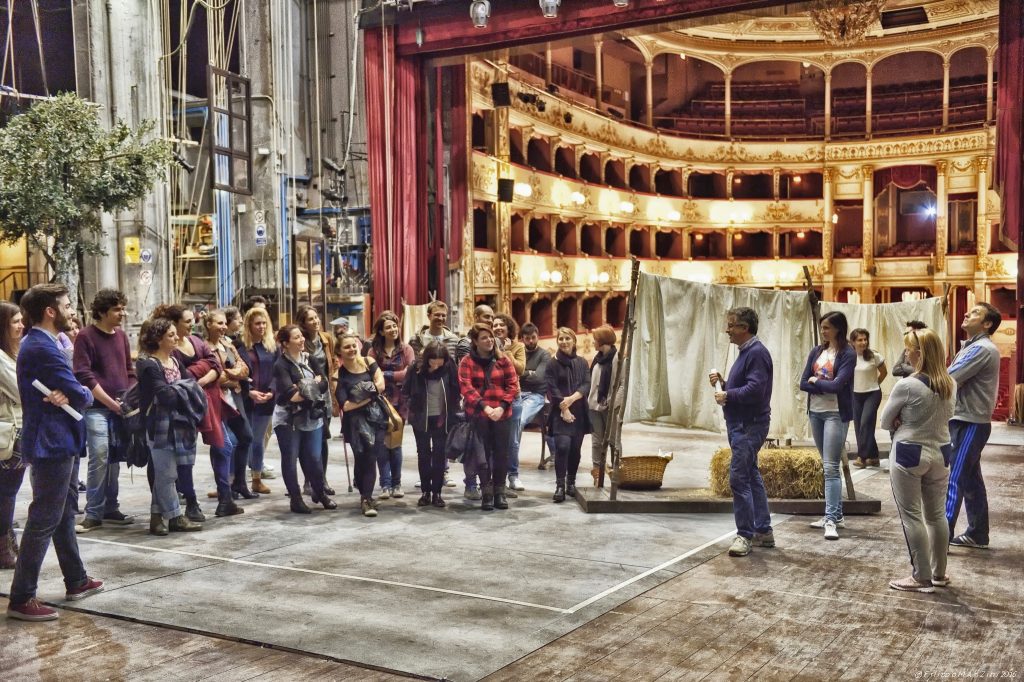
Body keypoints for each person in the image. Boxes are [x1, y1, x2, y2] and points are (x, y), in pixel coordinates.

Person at [7, 284, 102, 621]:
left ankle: (76, 579)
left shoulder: (42, 343)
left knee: (62, 514)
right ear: (50, 310)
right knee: (44, 518)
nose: (71, 309)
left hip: (60, 438)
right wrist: (81, 395)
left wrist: (74, 393)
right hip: (52, 441)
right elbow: (80, 392)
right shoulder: (41, 347)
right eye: (65, 304)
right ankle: (21, 598)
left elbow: (72, 390)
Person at [880, 328, 955, 592]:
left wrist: (901, 419)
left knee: (911, 516)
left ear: (919, 353)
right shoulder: (950, 383)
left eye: (909, 348)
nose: (906, 353)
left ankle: (920, 576)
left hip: (910, 452)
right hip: (942, 452)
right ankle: (939, 574)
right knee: (937, 516)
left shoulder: (907, 385)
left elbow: (885, 421)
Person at [708, 308, 774, 558]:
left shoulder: (756, 353)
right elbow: (747, 386)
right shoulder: (749, 352)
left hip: (748, 424)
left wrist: (727, 394)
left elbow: (756, 390)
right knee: (751, 474)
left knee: (739, 479)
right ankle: (764, 530)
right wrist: (724, 383)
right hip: (743, 423)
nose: (728, 330)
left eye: (732, 325)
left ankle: (744, 535)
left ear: (744, 328)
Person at [73, 289, 136, 533]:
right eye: (117, 309)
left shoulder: (121, 336)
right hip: (96, 408)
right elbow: (84, 375)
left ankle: (111, 507)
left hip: (120, 407)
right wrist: (110, 402)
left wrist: (130, 396)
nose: (123, 313)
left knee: (114, 458)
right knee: (99, 456)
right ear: (102, 312)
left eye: (123, 308)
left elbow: (129, 370)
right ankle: (93, 513)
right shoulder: (85, 336)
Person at [152, 304, 222, 523]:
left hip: (186, 415)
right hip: (163, 421)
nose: (193, 324)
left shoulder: (184, 351)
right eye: (187, 321)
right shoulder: (151, 363)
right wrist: (191, 384)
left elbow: (214, 365)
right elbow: (168, 392)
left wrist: (192, 384)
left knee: (184, 464)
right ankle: (169, 515)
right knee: (166, 472)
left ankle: (178, 508)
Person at [136, 318, 203, 536]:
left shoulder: (175, 361)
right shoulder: (148, 364)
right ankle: (176, 516)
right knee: (166, 474)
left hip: (180, 426)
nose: (176, 338)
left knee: (168, 473)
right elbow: (164, 395)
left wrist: (182, 389)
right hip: (159, 427)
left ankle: (156, 518)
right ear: (158, 339)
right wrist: (184, 390)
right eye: (171, 335)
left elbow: (192, 387)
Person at [945, 303, 1002, 549]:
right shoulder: (973, 346)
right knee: (970, 480)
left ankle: (940, 537)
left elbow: (948, 378)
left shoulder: (981, 348)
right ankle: (978, 533)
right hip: (967, 420)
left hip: (970, 422)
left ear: (987, 324)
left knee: (955, 479)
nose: (966, 313)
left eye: (975, 313)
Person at [799, 310, 856, 540]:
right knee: (827, 465)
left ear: (838, 329)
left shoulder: (848, 353)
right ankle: (837, 515)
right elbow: (803, 382)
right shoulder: (817, 351)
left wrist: (818, 381)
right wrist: (820, 383)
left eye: (826, 328)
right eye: (821, 327)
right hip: (816, 412)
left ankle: (830, 519)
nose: (823, 331)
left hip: (835, 413)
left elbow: (838, 386)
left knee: (831, 467)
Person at [272, 325, 335, 514]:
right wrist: (311, 384)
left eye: (301, 336)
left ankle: (320, 493)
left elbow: (324, 384)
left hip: (312, 416)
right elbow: (290, 395)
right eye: (297, 337)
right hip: (288, 419)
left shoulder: (311, 358)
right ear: (285, 343)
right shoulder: (280, 365)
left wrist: (305, 387)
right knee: (290, 459)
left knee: (315, 458)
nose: (301, 340)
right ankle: (296, 499)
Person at [458, 323, 518, 510]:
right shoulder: (467, 361)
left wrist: (501, 407)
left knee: (501, 454)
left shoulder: (503, 360)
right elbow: (466, 387)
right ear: (475, 341)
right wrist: (485, 407)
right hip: (478, 415)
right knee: (481, 456)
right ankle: (486, 493)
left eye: (491, 336)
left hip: (502, 414)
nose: (489, 340)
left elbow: (513, 384)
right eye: (484, 337)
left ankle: (499, 492)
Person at [408, 300, 461, 489]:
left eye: (443, 315)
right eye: (437, 314)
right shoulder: (416, 340)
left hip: (442, 402)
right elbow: (412, 374)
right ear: (429, 315)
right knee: (423, 451)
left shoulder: (454, 339)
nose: (440, 318)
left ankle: (441, 478)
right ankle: (425, 483)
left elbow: (454, 375)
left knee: (440, 450)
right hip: (423, 402)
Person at [204, 310, 254, 512]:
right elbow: (214, 376)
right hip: (216, 399)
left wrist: (230, 376)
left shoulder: (228, 344)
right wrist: (232, 377)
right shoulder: (203, 347)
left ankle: (240, 482)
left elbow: (244, 369)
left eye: (225, 323)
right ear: (208, 324)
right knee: (222, 445)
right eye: (219, 323)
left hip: (234, 397)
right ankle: (224, 491)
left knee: (246, 437)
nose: (223, 327)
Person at [403, 342, 460, 508]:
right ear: (426, 358)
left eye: (439, 360)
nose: (436, 364)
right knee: (423, 454)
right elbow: (405, 390)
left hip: (442, 418)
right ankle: (425, 492)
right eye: (432, 360)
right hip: (421, 418)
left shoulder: (449, 367)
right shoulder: (416, 368)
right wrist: (412, 406)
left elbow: (456, 390)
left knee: (440, 455)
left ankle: (437, 493)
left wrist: (454, 411)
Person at [336, 332, 387, 517]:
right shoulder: (339, 375)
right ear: (339, 352)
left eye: (353, 345)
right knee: (360, 459)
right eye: (346, 347)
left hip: (377, 419)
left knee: (372, 457)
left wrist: (361, 394)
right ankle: (364, 493)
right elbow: (346, 406)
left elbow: (381, 385)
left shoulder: (369, 362)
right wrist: (370, 394)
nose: (352, 349)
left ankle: (366, 498)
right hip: (355, 424)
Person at [367, 311, 415, 500]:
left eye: (395, 326)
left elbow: (408, 373)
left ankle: (397, 483)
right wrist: (394, 375)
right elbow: (371, 373)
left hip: (400, 402)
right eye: (388, 327)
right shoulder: (373, 351)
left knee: (395, 444)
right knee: (381, 444)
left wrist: (385, 375)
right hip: (379, 402)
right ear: (380, 331)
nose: (393, 329)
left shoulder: (406, 349)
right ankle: (385, 484)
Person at [295, 305, 338, 495]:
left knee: (323, 440)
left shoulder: (326, 339)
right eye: (311, 319)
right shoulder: (301, 342)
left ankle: (322, 480)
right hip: (309, 396)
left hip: (325, 395)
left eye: (316, 317)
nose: (316, 321)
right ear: (303, 323)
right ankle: (308, 481)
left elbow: (332, 362)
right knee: (309, 441)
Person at [545, 327, 591, 503]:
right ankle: (559, 486)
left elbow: (586, 384)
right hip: (559, 411)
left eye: (567, 338)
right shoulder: (552, 363)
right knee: (562, 447)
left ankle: (571, 482)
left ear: (574, 340)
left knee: (575, 449)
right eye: (561, 339)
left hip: (578, 410)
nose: (563, 342)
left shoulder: (582, 362)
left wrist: (570, 400)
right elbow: (551, 388)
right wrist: (564, 408)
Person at [455, 304, 495, 500]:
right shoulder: (465, 344)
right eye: (486, 317)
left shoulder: (496, 344)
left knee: (491, 451)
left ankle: (489, 484)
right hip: (475, 407)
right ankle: (471, 484)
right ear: (477, 317)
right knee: (472, 449)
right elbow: (466, 380)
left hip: (496, 410)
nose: (489, 320)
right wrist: (482, 403)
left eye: (492, 317)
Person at [0, 303, 25, 569]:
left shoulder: (14, 353)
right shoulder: (1, 357)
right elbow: (21, 391)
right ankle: (3, 549)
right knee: (6, 493)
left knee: (8, 493)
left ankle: (7, 544)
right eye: (15, 322)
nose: (21, 325)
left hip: (14, 430)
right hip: (8, 432)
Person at [242, 307, 277, 494]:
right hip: (245, 399)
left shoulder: (272, 346)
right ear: (249, 325)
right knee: (240, 440)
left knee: (257, 441)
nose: (261, 327)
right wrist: (249, 391)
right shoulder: (240, 346)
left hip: (266, 400)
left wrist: (272, 391)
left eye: (264, 323)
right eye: (257, 323)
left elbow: (278, 372)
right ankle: (233, 479)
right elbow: (236, 371)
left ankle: (256, 477)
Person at [492, 313, 524, 495]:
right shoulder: (489, 345)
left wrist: (507, 351)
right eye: (495, 325)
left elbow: (520, 369)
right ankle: (498, 478)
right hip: (495, 398)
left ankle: (513, 475)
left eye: (501, 325)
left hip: (514, 397)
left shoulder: (518, 347)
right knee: (496, 441)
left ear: (508, 328)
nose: (497, 328)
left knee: (512, 441)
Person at [588, 325, 621, 484]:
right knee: (596, 441)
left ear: (602, 341)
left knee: (613, 441)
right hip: (594, 406)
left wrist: (613, 403)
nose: (593, 342)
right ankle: (597, 474)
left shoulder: (618, 358)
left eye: (595, 340)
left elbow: (623, 385)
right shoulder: (597, 358)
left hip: (610, 407)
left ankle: (617, 474)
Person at [850, 328, 887, 469]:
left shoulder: (874, 355)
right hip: (856, 395)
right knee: (860, 426)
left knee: (865, 423)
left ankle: (861, 457)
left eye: (865, 339)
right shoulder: (849, 357)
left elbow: (884, 372)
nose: (863, 342)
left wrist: (875, 384)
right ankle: (874, 456)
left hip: (872, 394)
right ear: (853, 342)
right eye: (860, 340)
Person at [517, 322, 550, 473]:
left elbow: (539, 378)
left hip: (535, 395)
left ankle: (512, 459)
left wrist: (523, 374)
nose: (530, 341)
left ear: (538, 337)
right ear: (522, 338)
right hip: (518, 393)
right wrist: (529, 373)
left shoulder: (544, 355)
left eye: (533, 337)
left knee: (520, 420)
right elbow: (512, 374)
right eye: (527, 338)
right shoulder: (519, 352)